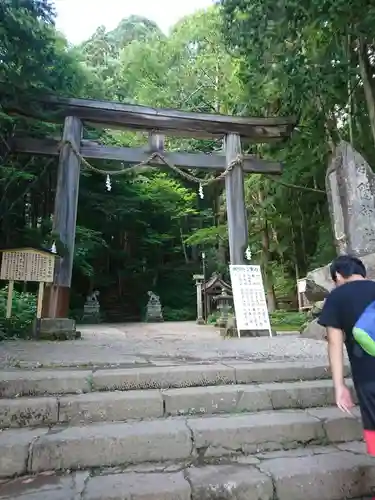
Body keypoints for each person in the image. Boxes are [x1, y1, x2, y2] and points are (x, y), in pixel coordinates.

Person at [318, 254, 375, 456]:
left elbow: (334, 342)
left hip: (369, 378)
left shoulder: (337, 297)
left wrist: (339, 385)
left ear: (339, 276)